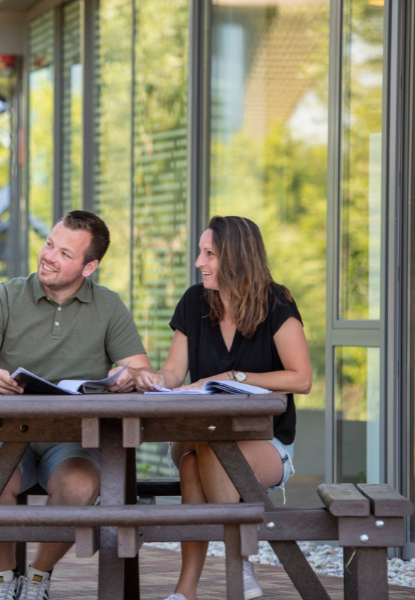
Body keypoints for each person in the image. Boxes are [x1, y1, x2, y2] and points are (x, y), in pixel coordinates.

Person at [0, 210, 154, 600]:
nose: (48, 256)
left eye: (65, 253)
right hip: (5, 431)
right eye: (49, 244)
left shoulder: (108, 306)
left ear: (89, 267)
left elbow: (142, 371)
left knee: (80, 483)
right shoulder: (5, 297)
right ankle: (4, 578)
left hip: (72, 437)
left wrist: (128, 377)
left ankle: (37, 578)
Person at [135, 216, 312, 600]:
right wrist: (154, 379)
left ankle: (191, 587)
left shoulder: (275, 303)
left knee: (196, 462)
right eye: (201, 253)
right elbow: (173, 371)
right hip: (199, 436)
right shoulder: (194, 301)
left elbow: (302, 379)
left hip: (265, 443)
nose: (199, 262)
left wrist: (235, 376)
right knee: (203, 447)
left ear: (236, 257)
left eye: (209, 254)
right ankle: (237, 562)